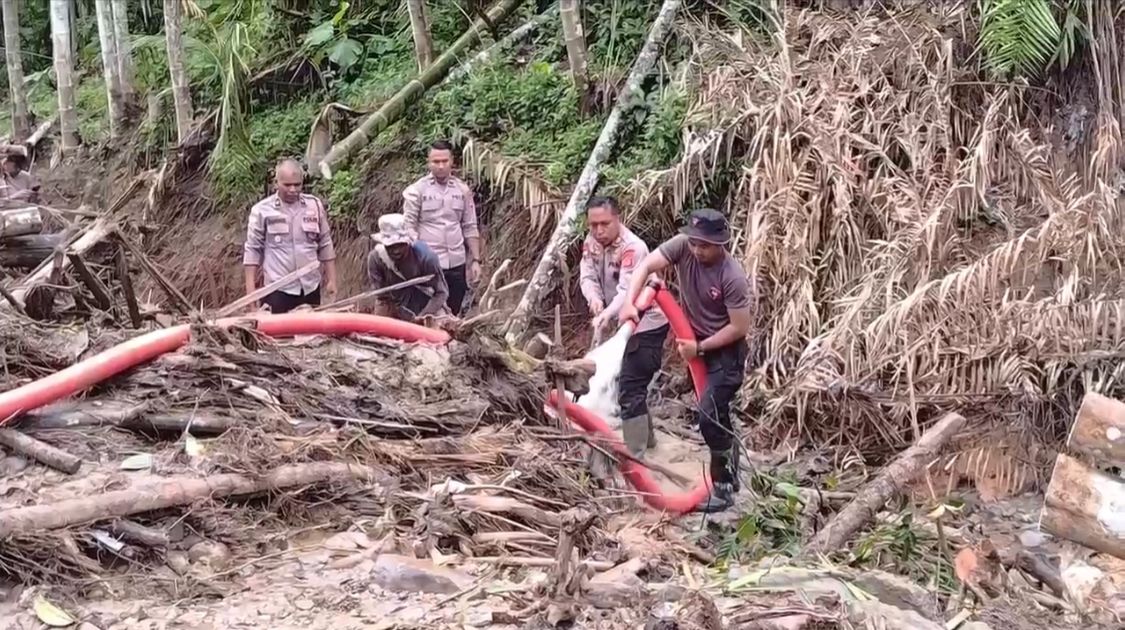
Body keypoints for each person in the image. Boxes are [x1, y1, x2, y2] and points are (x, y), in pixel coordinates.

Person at [618, 209, 754, 513]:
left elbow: (739, 327)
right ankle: (731, 471)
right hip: (695, 344)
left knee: (709, 416)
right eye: (693, 242)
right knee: (715, 413)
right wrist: (629, 303)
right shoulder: (682, 246)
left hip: (724, 351)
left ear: (720, 243)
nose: (696, 250)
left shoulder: (731, 276)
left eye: (704, 245)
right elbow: (646, 265)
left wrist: (700, 347)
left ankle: (723, 488)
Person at [578, 195, 669, 457]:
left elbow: (627, 290)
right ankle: (648, 442)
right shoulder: (591, 243)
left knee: (630, 386)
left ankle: (635, 457)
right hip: (621, 320)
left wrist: (607, 312)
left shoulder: (633, 248)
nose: (598, 230)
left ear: (618, 218)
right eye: (593, 225)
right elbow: (587, 275)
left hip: (647, 322)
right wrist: (594, 299)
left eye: (604, 224)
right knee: (632, 385)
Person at [242, 159, 338, 313]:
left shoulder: (314, 205)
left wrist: (332, 280)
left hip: (310, 287)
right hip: (277, 290)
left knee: (310, 328)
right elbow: (252, 251)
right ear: (276, 183)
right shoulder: (262, 211)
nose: (293, 189)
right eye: (287, 185)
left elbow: (325, 243)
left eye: (297, 184)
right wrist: (251, 294)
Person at [402, 140, 482, 316]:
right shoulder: (416, 191)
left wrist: (476, 260)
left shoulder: (462, 190)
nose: (440, 166)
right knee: (431, 312)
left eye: (444, 161)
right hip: (429, 264)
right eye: (436, 161)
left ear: (452, 161)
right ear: (428, 162)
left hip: (457, 262)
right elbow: (409, 227)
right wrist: (417, 256)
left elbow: (470, 226)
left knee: (454, 309)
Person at [367, 213, 450, 321]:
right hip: (396, 307)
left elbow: (441, 293)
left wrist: (423, 316)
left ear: (408, 242)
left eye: (400, 245)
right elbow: (382, 297)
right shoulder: (376, 259)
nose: (396, 251)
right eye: (391, 246)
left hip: (428, 306)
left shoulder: (426, 258)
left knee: (438, 324)